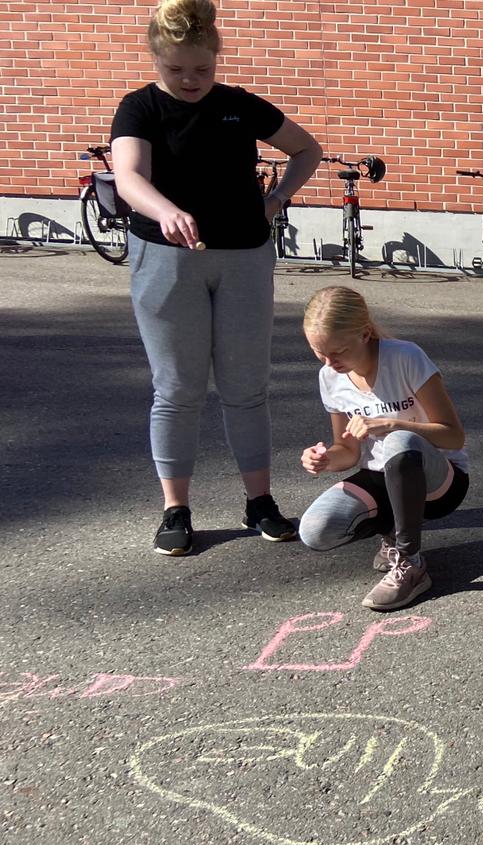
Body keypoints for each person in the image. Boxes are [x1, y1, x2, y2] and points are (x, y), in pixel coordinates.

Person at [110, 0, 323, 555]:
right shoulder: (139, 108)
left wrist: (277, 199)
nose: (190, 80)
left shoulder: (238, 105)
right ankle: (175, 509)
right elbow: (128, 176)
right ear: (156, 59)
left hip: (244, 255)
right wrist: (165, 210)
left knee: (246, 387)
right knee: (177, 388)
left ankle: (260, 502)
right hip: (165, 257)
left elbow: (306, 149)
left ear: (216, 58)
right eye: (176, 69)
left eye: (202, 69)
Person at [296, 287, 469, 611]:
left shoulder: (405, 356)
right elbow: (348, 451)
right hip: (381, 477)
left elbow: (453, 437)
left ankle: (410, 563)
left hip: (438, 481)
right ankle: (391, 533)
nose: (329, 363)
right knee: (315, 531)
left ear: (364, 334)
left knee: (399, 441)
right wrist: (324, 459)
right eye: (319, 353)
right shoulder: (329, 376)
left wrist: (392, 424)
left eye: (338, 352)